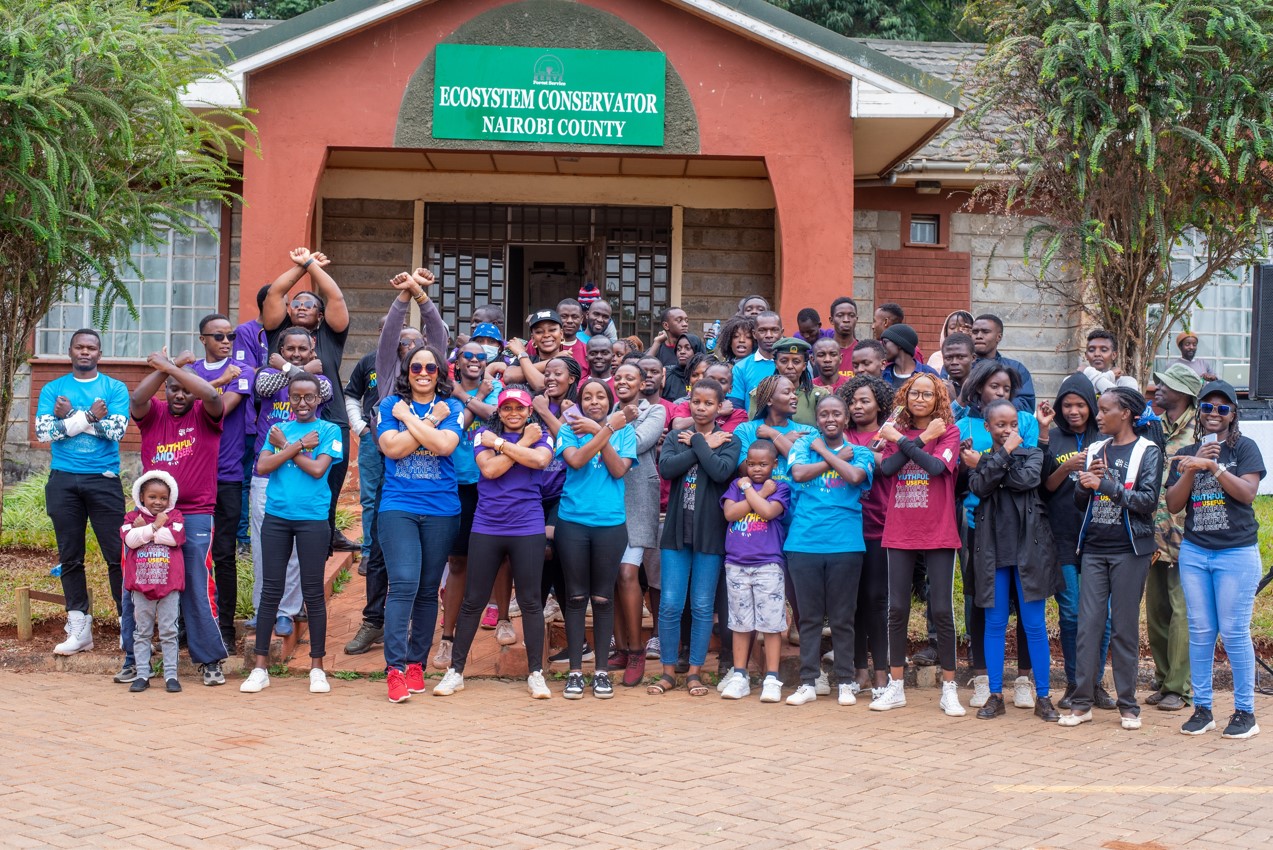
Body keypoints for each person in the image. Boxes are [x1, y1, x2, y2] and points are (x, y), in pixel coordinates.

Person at [433, 387, 554, 701]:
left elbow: (540, 460)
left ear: (529, 411)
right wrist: (519, 445)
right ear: (499, 411)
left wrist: (502, 445)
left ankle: (536, 674)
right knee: (473, 601)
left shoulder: (540, 436)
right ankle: (456, 672)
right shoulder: (482, 434)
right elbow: (489, 469)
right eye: (507, 408)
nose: (513, 413)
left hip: (527, 526)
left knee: (530, 601)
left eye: (520, 408)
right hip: (488, 526)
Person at [1059, 388, 1164, 730]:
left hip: (1129, 551)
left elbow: (1147, 502)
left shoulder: (1148, 450)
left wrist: (1105, 485)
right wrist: (1085, 485)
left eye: (1105, 410)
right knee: (1088, 626)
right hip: (1094, 549)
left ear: (1127, 413)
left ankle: (1128, 705)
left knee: (1124, 629)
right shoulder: (1094, 449)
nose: (1098, 416)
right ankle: (1081, 703)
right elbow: (1080, 502)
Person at [1167, 380, 1265, 738]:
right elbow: (1173, 504)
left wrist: (1215, 467)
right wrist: (1193, 467)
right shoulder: (1188, 452)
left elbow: (1248, 494)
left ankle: (1245, 713)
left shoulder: (1244, 448)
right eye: (1207, 407)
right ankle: (1203, 709)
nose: (1214, 413)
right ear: (1199, 412)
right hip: (1196, 552)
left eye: (1222, 408)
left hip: (1236, 552)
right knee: (1201, 631)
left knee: (1234, 631)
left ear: (1232, 414)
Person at [868, 373, 965, 716]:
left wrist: (913, 439)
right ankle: (895, 686)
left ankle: (949, 688)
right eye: (914, 393)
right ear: (905, 398)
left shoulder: (949, 432)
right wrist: (918, 437)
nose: (919, 399)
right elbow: (889, 468)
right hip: (901, 528)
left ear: (938, 399)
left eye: (927, 394)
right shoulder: (898, 432)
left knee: (941, 609)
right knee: (897, 609)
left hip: (938, 529)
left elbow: (936, 467)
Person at [130, 348, 228, 686]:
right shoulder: (154, 413)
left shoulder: (206, 413)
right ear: (166, 389)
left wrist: (172, 367)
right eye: (173, 389)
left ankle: (210, 660)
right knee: (142, 581)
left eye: (186, 389)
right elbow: (137, 398)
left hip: (196, 512)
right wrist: (166, 368)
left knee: (198, 586)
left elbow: (212, 394)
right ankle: (134, 660)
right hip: (150, 515)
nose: (180, 395)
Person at [240, 372, 340, 695]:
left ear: (319, 399)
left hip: (312, 519)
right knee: (270, 591)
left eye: (309, 397)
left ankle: (317, 668)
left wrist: (285, 447)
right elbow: (262, 467)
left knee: (313, 593)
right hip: (277, 517)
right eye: (296, 397)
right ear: (289, 399)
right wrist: (295, 444)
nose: (302, 403)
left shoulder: (329, 430)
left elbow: (317, 470)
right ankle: (260, 669)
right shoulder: (277, 429)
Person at [374, 344, 463, 703]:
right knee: (403, 584)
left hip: (442, 509)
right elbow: (392, 449)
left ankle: (416, 665)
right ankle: (394, 669)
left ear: (440, 373)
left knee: (427, 590)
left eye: (430, 367)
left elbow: (444, 447)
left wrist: (412, 421)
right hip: (399, 506)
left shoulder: (452, 407)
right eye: (416, 368)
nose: (423, 373)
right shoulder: (388, 406)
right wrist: (429, 422)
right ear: (407, 373)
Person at [967, 399, 1062, 722]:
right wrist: (1000, 457)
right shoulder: (982, 459)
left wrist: (991, 462)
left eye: (1013, 425)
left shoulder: (1032, 454)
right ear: (987, 427)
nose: (1008, 430)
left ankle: (1043, 696)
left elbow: (1028, 480)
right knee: (994, 624)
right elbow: (979, 486)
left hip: (1028, 551)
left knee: (1034, 625)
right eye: (1000, 425)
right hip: (992, 552)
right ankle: (995, 695)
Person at [36, 329, 129, 658]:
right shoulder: (53, 388)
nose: (85, 352)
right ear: (71, 351)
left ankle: (128, 626)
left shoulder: (115, 388)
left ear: (99, 354)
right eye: (80, 347)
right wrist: (89, 416)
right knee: (70, 556)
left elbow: (116, 430)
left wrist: (69, 418)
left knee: (117, 555)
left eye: (91, 347)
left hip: (103, 479)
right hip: (63, 480)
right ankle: (79, 628)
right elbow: (44, 432)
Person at [956, 359, 1040, 708]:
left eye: (1007, 388)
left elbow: (1024, 471)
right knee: (983, 602)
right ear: (979, 389)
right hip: (978, 523)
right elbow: (966, 479)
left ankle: (1023, 680)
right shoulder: (963, 425)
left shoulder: (1027, 422)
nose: (1002, 392)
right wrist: (977, 469)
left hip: (1019, 526)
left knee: (1026, 605)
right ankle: (983, 679)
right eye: (995, 387)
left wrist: (984, 464)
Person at [260, 247, 355, 553]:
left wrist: (311, 265)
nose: (301, 307)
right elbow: (275, 294)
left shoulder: (330, 336)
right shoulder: (279, 334)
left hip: (330, 421)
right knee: (283, 492)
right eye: (296, 304)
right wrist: (302, 267)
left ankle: (320, 556)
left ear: (320, 315)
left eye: (309, 305)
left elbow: (336, 297)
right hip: (284, 425)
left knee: (325, 494)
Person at [650, 378, 740, 697]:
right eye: (696, 402)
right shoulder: (677, 437)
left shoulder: (729, 440)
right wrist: (702, 445)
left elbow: (720, 472)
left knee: (702, 606)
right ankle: (667, 672)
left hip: (709, 535)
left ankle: (695, 673)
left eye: (709, 403)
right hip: (676, 533)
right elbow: (667, 468)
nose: (701, 408)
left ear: (720, 407)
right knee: (670, 604)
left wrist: (701, 444)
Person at [785, 395, 874, 706]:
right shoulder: (803, 446)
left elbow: (854, 476)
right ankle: (808, 682)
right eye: (824, 414)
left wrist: (824, 453)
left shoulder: (861, 452)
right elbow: (799, 474)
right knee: (809, 618)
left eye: (836, 413)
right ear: (817, 419)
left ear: (846, 418)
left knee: (842, 618)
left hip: (845, 545)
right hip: (803, 543)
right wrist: (829, 454)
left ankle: (845, 682)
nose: (830, 419)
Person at [554, 379, 638, 699]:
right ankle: (576, 672)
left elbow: (617, 470)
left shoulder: (625, 432)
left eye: (600, 396)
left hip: (610, 524)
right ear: (579, 403)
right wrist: (604, 429)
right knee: (576, 597)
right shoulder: (568, 430)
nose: (594, 402)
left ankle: (601, 672)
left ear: (609, 401)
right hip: (572, 523)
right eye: (587, 397)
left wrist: (603, 431)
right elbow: (576, 460)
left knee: (603, 598)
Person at [249, 329, 333, 638]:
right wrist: (296, 371)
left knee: (297, 553)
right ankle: (263, 609)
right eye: (289, 349)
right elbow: (265, 386)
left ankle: (287, 611)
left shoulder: (321, 382)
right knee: (263, 547)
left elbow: (321, 389)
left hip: (303, 476)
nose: (296, 354)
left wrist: (286, 368)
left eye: (302, 349)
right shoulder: (265, 375)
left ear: (312, 351)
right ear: (280, 350)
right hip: (266, 476)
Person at [1037, 374, 1114, 711]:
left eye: (1080, 404)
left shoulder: (1106, 438)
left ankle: (1094, 683)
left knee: (1103, 616)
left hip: (1101, 537)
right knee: (1070, 613)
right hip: (1063, 537)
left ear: (1091, 406)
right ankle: (1073, 682)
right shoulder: (1052, 439)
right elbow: (1044, 487)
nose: (1073, 411)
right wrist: (1067, 465)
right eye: (1067, 405)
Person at [189, 314, 257, 652]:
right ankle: (190, 625)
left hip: (227, 476)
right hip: (192, 477)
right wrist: (218, 382)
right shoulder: (192, 371)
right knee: (190, 554)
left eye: (230, 335)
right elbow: (183, 405)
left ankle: (225, 628)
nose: (226, 341)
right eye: (218, 336)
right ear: (203, 339)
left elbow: (217, 410)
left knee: (224, 555)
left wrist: (209, 387)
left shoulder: (242, 372)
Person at [433, 342, 502, 666]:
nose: (475, 361)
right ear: (457, 361)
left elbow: (497, 415)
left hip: (491, 481)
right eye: (468, 356)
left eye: (480, 357)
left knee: (499, 554)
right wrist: (467, 397)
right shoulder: (443, 393)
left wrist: (469, 397)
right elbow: (454, 427)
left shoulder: (496, 388)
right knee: (458, 562)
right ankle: (447, 639)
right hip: (455, 483)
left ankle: (500, 614)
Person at [1145, 362, 1204, 712]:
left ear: (1184, 392)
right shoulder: (1154, 426)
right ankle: (1164, 677)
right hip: (1152, 536)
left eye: (1165, 385)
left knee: (1182, 612)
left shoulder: (1200, 430)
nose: (1159, 389)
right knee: (1157, 611)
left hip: (1187, 535)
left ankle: (1179, 688)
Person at [717, 440, 791, 703]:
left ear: (774, 465)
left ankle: (772, 678)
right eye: (751, 464)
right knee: (740, 623)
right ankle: (740, 676)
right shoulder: (736, 486)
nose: (757, 469)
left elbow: (768, 512)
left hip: (768, 564)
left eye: (763, 464)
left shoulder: (780, 488)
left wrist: (750, 491)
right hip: (736, 564)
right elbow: (730, 514)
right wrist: (754, 491)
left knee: (771, 624)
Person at [611, 362, 667, 686]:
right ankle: (620, 648)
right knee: (610, 577)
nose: (622, 382)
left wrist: (609, 426)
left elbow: (639, 442)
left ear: (642, 382)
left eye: (629, 377)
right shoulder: (604, 408)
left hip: (637, 502)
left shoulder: (654, 411)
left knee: (627, 572)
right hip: (605, 500)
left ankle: (636, 651)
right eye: (618, 377)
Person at [840, 375, 895, 700]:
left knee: (876, 599)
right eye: (852, 401)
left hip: (880, 526)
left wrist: (867, 455)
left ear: (879, 404)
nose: (857, 406)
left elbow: (892, 466)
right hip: (846, 528)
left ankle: (881, 673)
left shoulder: (889, 435)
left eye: (865, 401)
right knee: (852, 602)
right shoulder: (841, 434)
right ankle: (859, 670)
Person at [532, 355, 584, 640]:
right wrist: (539, 408)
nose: (551, 378)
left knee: (549, 551)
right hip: (532, 495)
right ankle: (536, 634)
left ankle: (576, 638)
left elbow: (563, 442)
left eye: (558, 373)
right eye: (547, 373)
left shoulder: (577, 408)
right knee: (540, 560)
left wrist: (546, 412)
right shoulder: (534, 404)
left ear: (572, 379)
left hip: (563, 494)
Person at [120, 471, 186, 694]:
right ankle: (142, 674)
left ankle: (171, 676)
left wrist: (144, 531)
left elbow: (175, 539)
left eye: (163, 498)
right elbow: (130, 540)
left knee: (169, 631)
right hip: (141, 586)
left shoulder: (175, 516)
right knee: (142, 632)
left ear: (170, 498)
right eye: (152, 497)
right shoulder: (131, 517)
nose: (158, 502)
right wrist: (155, 526)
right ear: (141, 496)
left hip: (169, 586)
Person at [233, 286, 273, 553]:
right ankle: (243, 538)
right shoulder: (246, 332)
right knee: (245, 479)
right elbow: (246, 373)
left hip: (277, 421)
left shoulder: (287, 332)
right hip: (250, 420)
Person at [344, 330, 383, 571]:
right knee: (370, 498)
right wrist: (360, 427)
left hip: (406, 440)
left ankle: (390, 552)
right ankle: (369, 552)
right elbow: (351, 394)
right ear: (380, 332)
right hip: (372, 439)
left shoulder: (414, 363)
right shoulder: (368, 361)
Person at [734, 375, 814, 486]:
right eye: (787, 393)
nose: (794, 397)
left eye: (794, 393)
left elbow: (807, 468)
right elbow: (744, 470)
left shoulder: (808, 431)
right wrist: (782, 440)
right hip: (760, 495)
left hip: (798, 496)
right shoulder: (745, 430)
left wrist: (774, 435)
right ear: (769, 400)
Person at [748, 338, 827, 426]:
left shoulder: (818, 395)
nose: (790, 366)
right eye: (784, 361)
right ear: (776, 364)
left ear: (804, 366)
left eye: (796, 362)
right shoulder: (761, 394)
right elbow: (754, 428)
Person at [970, 314, 1036, 413]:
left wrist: (995, 404)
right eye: (975, 332)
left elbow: (1026, 404)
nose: (979, 336)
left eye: (985, 332)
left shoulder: (1016, 368)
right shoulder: (961, 367)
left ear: (999, 337)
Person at [668, 361, 747, 433]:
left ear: (730, 388)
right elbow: (677, 426)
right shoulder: (688, 405)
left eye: (722, 382)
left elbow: (722, 439)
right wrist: (718, 412)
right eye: (710, 379)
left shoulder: (738, 414)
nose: (715, 384)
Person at [728, 311, 783, 407]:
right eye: (762, 330)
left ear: (781, 333)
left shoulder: (792, 366)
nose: (769, 335)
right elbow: (736, 407)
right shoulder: (741, 368)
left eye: (774, 330)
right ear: (754, 334)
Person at [506, 309, 568, 391]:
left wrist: (521, 354)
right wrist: (553, 359)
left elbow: (541, 386)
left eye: (552, 330)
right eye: (539, 332)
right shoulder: (526, 358)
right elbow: (508, 376)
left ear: (561, 334)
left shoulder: (568, 363)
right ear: (533, 338)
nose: (546, 335)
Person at [881, 324, 938, 388]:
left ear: (899, 344)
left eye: (885, 342)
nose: (882, 347)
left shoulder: (929, 374)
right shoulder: (883, 374)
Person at [1082, 329, 1140, 393]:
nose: (1097, 354)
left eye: (1104, 350)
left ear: (1114, 355)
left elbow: (1119, 399)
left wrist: (1089, 372)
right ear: (1086, 355)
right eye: (1091, 350)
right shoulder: (1076, 381)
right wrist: (1109, 375)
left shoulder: (1127, 382)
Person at [939, 332, 975, 416]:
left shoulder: (981, 387)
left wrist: (957, 401)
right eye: (948, 358)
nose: (954, 362)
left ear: (973, 358)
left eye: (961, 357)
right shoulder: (937, 388)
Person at [662, 335, 706, 401]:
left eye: (687, 348)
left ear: (697, 351)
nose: (682, 352)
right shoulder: (667, 374)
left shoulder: (707, 375)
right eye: (679, 349)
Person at [829, 297, 859, 382]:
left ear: (856, 319)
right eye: (840, 315)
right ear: (831, 320)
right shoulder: (823, 353)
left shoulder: (863, 351)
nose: (846, 320)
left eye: (851, 315)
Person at [554, 298, 589, 368]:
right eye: (564, 316)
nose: (569, 321)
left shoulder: (587, 351)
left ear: (581, 319)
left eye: (574, 317)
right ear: (556, 317)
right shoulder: (540, 344)